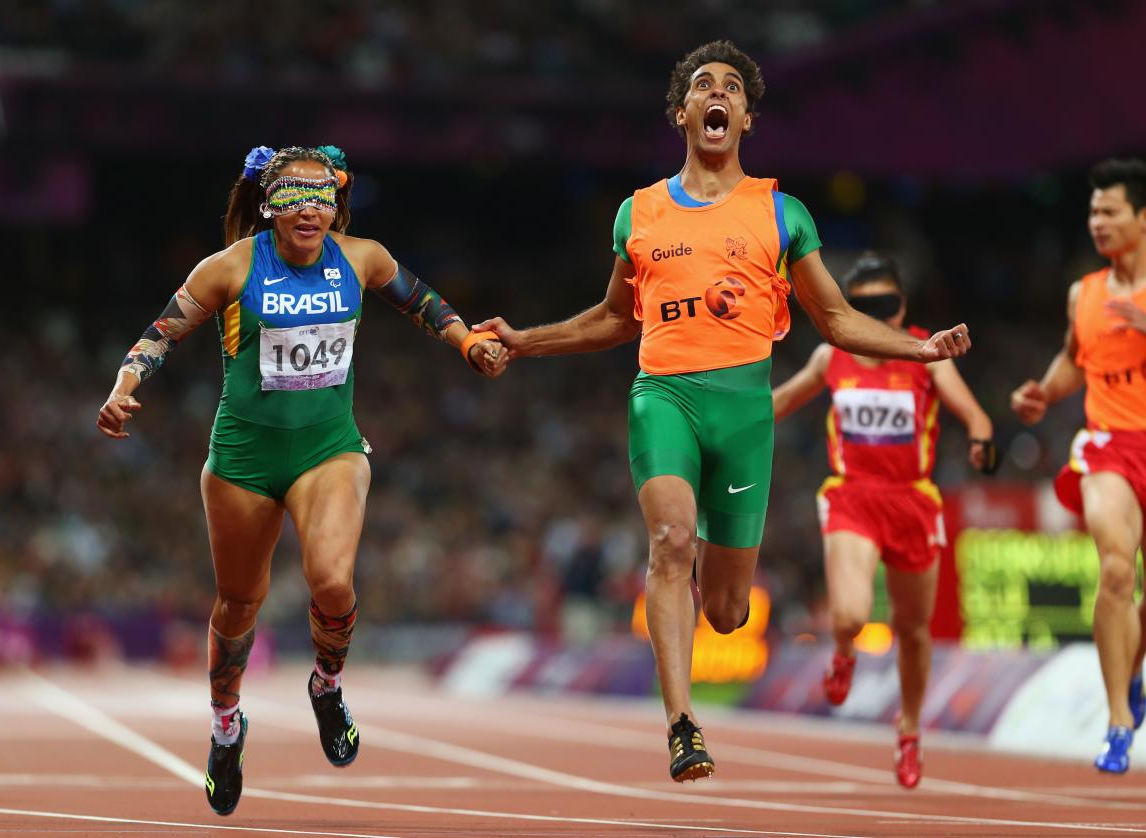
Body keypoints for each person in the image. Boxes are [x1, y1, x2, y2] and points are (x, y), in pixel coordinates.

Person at [470, 40, 972, 782]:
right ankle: (682, 723)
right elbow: (613, 320)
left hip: (744, 414)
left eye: (732, 88)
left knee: (729, 611)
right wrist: (527, 341)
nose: (718, 94)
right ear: (682, 114)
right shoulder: (638, 212)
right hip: (664, 396)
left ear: (744, 118)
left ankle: (710, 563)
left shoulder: (780, 212)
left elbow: (833, 318)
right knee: (670, 541)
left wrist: (918, 349)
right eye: (703, 85)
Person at [96, 145, 507, 815]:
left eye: (321, 197)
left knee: (334, 582)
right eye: (292, 198)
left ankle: (326, 684)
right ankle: (227, 725)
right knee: (239, 604)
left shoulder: (361, 257)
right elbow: (159, 333)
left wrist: (468, 342)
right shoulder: (232, 267)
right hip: (242, 463)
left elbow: (425, 302)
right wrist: (122, 387)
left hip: (329, 450)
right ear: (268, 206)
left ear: (337, 205)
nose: (308, 210)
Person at [771, 253, 996, 788]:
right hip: (853, 497)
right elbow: (778, 403)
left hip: (913, 503)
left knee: (913, 628)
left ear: (902, 306)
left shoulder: (929, 353)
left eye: (887, 304)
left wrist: (984, 440)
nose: (880, 315)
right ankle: (844, 652)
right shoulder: (832, 356)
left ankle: (910, 731)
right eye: (865, 306)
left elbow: (975, 413)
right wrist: (724, 419)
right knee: (848, 615)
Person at [1011, 157, 1146, 775]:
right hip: (1108, 444)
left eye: (1110, 210)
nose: (1098, 221)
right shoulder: (1084, 292)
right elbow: (1073, 358)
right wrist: (1043, 390)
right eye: (1092, 211)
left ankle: (1133, 673)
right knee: (1116, 569)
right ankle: (1119, 719)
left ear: (1141, 218)